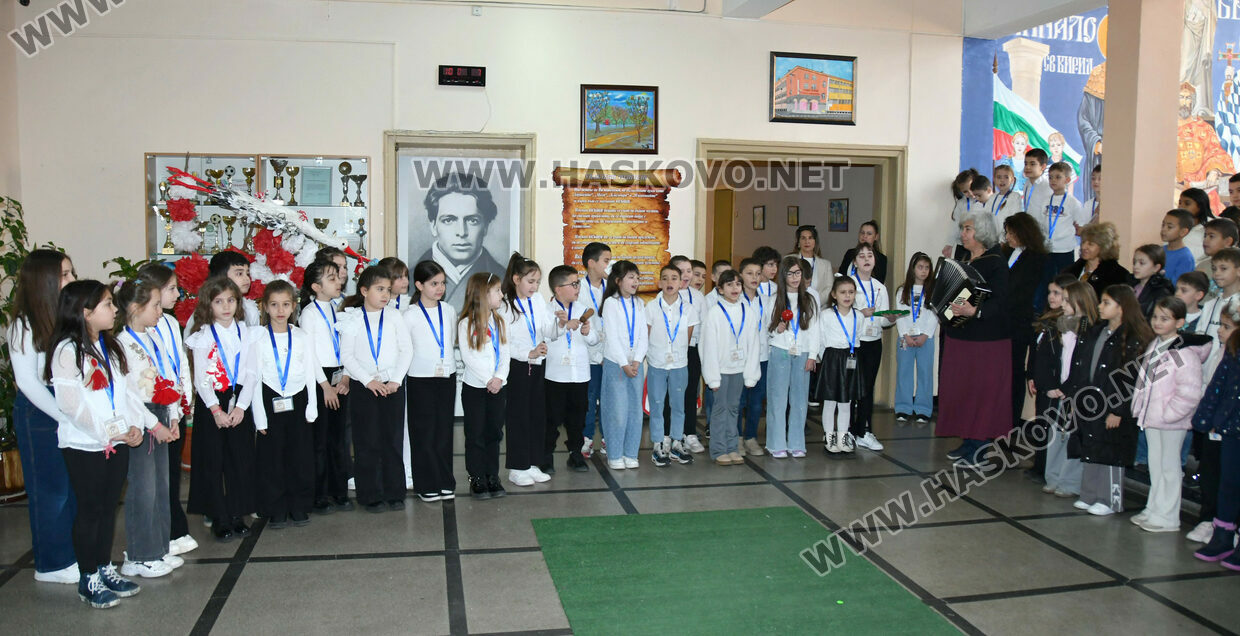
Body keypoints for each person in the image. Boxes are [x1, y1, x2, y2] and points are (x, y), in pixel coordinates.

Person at [48, 280, 150, 608]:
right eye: (108, 304)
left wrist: (134, 426)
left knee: (108, 508)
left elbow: (126, 393)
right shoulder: (67, 350)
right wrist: (108, 432)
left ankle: (105, 567)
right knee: (90, 510)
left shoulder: (109, 345)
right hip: (85, 444)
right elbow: (71, 405)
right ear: (86, 312)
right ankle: (88, 576)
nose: (115, 309)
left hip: (117, 441)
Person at [7, 249, 79, 584]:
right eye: (65, 274)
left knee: (72, 486)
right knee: (51, 489)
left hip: (64, 406)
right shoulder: (24, 324)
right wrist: (63, 415)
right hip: (39, 412)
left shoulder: (62, 318)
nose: (72, 279)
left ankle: (71, 552)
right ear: (44, 280)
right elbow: (28, 383)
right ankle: (52, 563)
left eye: (71, 272)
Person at [1064, 285, 1152, 516]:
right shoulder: (1097, 331)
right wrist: (1075, 396)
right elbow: (1080, 364)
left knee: (1110, 450)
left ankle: (1109, 499)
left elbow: (1130, 378)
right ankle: (1089, 494)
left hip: (1112, 403)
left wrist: (1118, 410)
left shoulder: (1132, 338)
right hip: (1090, 401)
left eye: (1106, 303)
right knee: (1091, 445)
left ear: (1121, 308)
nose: (1100, 307)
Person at [114, 280, 181, 578]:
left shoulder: (154, 336)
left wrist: (174, 414)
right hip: (141, 417)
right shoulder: (121, 344)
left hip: (161, 410)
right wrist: (153, 424)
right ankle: (139, 555)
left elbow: (168, 373)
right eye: (154, 305)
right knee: (143, 487)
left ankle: (159, 548)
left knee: (160, 486)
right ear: (134, 308)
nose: (159, 311)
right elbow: (127, 393)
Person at [184, 277, 257, 541]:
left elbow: (251, 372)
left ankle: (237, 512)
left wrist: (241, 407)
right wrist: (216, 409)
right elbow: (201, 377)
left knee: (240, 459)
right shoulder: (203, 336)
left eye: (231, 300)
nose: (226, 306)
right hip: (212, 403)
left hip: (239, 400)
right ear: (208, 304)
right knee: (212, 461)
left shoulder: (246, 332)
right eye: (218, 301)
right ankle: (218, 516)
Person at [337, 266, 414, 513]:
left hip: (392, 387)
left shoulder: (394, 316)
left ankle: (395, 492)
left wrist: (396, 380)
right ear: (364, 291)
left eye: (388, 290)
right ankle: (370, 494)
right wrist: (368, 380)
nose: (385, 295)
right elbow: (347, 355)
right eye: (379, 289)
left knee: (392, 439)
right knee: (366, 440)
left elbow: (406, 350)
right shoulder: (353, 318)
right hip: (365, 388)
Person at [938, 211, 1012, 468]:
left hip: (987, 340)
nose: (963, 234)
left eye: (968, 229)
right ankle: (969, 441)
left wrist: (976, 311)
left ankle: (979, 449)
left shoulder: (997, 263)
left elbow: (1001, 301)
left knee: (982, 393)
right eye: (963, 229)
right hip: (962, 336)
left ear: (982, 232)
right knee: (964, 391)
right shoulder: (966, 259)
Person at [134, 262, 197, 557]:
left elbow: (179, 361)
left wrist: (185, 397)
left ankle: (173, 527)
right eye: (172, 289)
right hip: (153, 408)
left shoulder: (171, 322)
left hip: (174, 407)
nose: (177, 294)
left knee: (171, 471)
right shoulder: (142, 327)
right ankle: (166, 532)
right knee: (155, 477)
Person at [1132, 297, 1210, 532]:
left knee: (1169, 467)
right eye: (1155, 317)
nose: (1157, 322)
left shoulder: (1184, 353)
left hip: (1171, 421)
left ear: (1180, 322)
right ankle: (1154, 507)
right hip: (1152, 417)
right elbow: (1144, 380)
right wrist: (1140, 405)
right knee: (1156, 465)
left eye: (1164, 318)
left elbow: (1190, 392)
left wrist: (1170, 414)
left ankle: (1168, 516)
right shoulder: (1155, 345)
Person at [250, 280, 318, 529]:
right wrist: (259, 416)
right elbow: (255, 379)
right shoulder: (258, 338)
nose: (280, 310)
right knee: (272, 458)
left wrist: (312, 406)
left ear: (293, 307)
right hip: (270, 398)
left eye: (286, 304)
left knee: (299, 456)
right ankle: (275, 507)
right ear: (265, 307)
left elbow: (309, 372)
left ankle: (299, 504)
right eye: (274, 305)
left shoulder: (301, 336)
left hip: (298, 398)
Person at [498, 253, 561, 484]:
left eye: (537, 282)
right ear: (516, 279)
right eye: (530, 281)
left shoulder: (538, 300)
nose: (535, 286)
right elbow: (505, 343)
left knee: (536, 415)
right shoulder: (505, 305)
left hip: (537, 365)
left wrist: (560, 323)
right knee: (518, 417)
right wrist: (528, 353)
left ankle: (533, 463)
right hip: (518, 366)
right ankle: (517, 467)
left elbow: (548, 330)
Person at [1031, 276, 1094, 494]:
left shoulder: (1089, 331)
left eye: (1067, 300)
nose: (1063, 304)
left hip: (1075, 391)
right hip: (1058, 389)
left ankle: (1070, 482)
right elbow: (1045, 358)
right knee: (1056, 434)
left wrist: (1068, 388)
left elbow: (1082, 365)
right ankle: (1054, 476)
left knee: (1072, 436)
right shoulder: (1057, 327)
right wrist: (1049, 385)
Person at [299, 260, 353, 514]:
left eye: (338, 277)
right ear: (315, 286)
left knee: (338, 439)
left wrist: (346, 377)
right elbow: (309, 354)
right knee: (319, 440)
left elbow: (347, 346)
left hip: (339, 377)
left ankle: (338, 490)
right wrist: (325, 386)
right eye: (331, 278)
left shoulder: (337, 308)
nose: (339, 281)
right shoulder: (309, 314)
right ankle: (319, 494)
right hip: (319, 379)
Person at [1190, 296, 1240, 567]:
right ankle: (1222, 536)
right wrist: (1205, 417)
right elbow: (1217, 387)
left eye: (1227, 326)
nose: (1220, 331)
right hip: (1231, 430)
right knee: (1228, 484)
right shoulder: (1231, 353)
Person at [404, 260, 459, 501]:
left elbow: (451, 339)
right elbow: (405, 348)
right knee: (424, 433)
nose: (440, 288)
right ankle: (425, 483)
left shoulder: (448, 310)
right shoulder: (410, 315)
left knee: (444, 431)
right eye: (433, 283)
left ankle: (445, 480)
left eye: (442, 283)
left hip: (446, 376)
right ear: (419, 285)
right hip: (420, 378)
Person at [417, 171, 507, 309]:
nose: (461, 232)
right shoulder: (408, 279)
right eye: (449, 220)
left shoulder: (504, 279)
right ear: (433, 226)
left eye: (472, 220)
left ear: (485, 226)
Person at [457, 273, 509, 500]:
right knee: (475, 433)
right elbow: (468, 357)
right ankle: (477, 477)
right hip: (476, 388)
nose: (501, 295)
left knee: (494, 432)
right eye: (497, 291)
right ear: (483, 294)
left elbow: (505, 353)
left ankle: (492, 476)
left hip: (498, 386)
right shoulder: (466, 323)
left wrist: (499, 378)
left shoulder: (499, 321)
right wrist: (488, 379)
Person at [700, 269, 760, 465]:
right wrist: (712, 377)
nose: (735, 288)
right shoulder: (715, 313)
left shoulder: (747, 311)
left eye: (738, 284)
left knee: (734, 408)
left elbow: (754, 344)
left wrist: (751, 373)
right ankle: (719, 449)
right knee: (720, 409)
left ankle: (732, 447)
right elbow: (707, 347)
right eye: (729, 284)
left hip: (739, 369)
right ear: (720, 289)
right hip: (720, 371)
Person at [543, 264, 597, 473]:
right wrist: (564, 326)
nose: (577, 288)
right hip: (555, 375)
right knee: (551, 419)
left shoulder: (583, 309)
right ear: (558, 289)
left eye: (578, 283)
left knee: (577, 418)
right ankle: (546, 456)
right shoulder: (547, 311)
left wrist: (587, 332)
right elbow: (544, 337)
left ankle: (575, 454)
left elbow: (594, 340)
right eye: (573, 284)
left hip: (579, 374)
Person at [764, 256, 818, 458]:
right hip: (780, 351)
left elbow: (815, 330)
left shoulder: (810, 300)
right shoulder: (774, 300)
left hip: (802, 353)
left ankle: (796, 443)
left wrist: (812, 355)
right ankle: (776, 443)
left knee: (800, 399)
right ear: (783, 276)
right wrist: (777, 328)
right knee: (777, 399)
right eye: (790, 273)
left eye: (798, 273)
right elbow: (767, 329)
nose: (795, 277)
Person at [645, 264, 698, 466]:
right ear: (659, 283)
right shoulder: (651, 307)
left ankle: (677, 442)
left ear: (681, 283)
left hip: (679, 364)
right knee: (657, 405)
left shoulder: (689, 309)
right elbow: (647, 336)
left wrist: (676, 355)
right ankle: (658, 444)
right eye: (665, 278)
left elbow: (688, 338)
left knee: (679, 405)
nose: (669, 282)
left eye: (674, 278)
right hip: (657, 364)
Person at [1003, 213, 1048, 433]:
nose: (1008, 237)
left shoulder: (1036, 258)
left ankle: (1010, 422)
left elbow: (1023, 291)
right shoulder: (1006, 252)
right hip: (1002, 321)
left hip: (1019, 322)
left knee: (1015, 373)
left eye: (1011, 233)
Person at [600, 260, 647, 471]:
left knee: (635, 412)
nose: (635, 281)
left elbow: (643, 335)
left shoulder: (639, 304)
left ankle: (630, 453)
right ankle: (615, 453)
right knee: (617, 411)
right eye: (631, 277)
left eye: (637, 277)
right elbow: (612, 337)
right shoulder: (611, 303)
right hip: (616, 365)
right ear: (618, 281)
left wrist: (637, 360)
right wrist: (624, 364)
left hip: (635, 364)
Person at [847, 243, 893, 451]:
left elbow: (882, 319)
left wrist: (889, 319)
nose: (866, 259)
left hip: (873, 342)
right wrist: (860, 313)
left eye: (870, 255)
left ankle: (864, 431)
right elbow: (841, 313)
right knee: (851, 387)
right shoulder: (848, 284)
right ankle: (847, 430)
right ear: (855, 262)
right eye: (862, 256)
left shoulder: (880, 287)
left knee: (867, 388)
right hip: (854, 343)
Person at [817, 276, 866, 454]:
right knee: (830, 401)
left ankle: (843, 436)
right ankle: (829, 436)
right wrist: (826, 359)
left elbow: (858, 336)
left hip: (850, 358)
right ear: (834, 294)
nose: (847, 296)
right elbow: (821, 339)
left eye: (851, 292)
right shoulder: (826, 315)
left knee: (847, 402)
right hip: (831, 359)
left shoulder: (859, 316)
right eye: (843, 292)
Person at [893, 253, 937, 425]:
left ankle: (923, 409)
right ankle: (903, 407)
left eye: (927, 268)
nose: (924, 271)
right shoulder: (902, 291)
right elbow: (900, 315)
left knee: (925, 373)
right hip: (905, 338)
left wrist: (925, 335)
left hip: (926, 338)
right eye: (920, 267)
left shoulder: (932, 291)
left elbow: (934, 315)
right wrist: (905, 335)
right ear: (913, 269)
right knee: (904, 372)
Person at [668, 255, 704, 450]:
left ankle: (689, 433)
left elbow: (704, 327)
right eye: (681, 271)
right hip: (670, 351)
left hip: (691, 350)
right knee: (670, 394)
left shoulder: (698, 297)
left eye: (689, 271)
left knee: (690, 393)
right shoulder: (665, 295)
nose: (686, 275)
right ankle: (668, 435)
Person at [579, 242, 611, 458]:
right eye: (606, 261)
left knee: (609, 400)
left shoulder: (613, 289)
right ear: (591, 263)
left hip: (610, 356)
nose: (609, 265)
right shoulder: (579, 289)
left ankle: (609, 438)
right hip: (589, 357)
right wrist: (597, 355)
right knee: (589, 400)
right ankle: (587, 439)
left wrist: (607, 354)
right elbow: (581, 326)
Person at [1039, 161, 1089, 295]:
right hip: (1048, 249)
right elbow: (1042, 224)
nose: (1053, 180)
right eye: (1050, 177)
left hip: (1065, 249)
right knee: (1047, 281)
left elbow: (1081, 226)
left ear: (1067, 180)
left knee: (1065, 282)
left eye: (1058, 177)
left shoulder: (1073, 203)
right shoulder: (1045, 201)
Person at [737, 258, 770, 456]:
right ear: (741, 275)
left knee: (756, 401)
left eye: (758, 273)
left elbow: (770, 327)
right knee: (739, 400)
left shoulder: (767, 300)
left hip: (761, 357)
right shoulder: (734, 300)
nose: (754, 277)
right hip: (740, 358)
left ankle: (751, 437)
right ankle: (737, 438)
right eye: (750, 273)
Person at [1065, 222, 1131, 300]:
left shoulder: (1117, 275)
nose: (1083, 247)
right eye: (1083, 242)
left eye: (1090, 244)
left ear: (1104, 247)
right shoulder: (1070, 271)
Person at [1131, 244, 1175, 319]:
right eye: (1134, 262)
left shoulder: (1161, 292)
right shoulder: (1130, 285)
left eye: (1142, 263)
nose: (1136, 266)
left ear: (1156, 268)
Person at [1162, 208, 1198, 284]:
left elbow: (1178, 285)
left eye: (1169, 227)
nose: (1163, 229)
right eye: (1163, 225)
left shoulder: (1186, 258)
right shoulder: (1160, 250)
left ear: (1183, 232)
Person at [1179, 187, 1215, 261]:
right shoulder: (1178, 226)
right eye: (1180, 203)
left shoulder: (1214, 226)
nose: (1181, 207)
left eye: (1187, 203)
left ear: (1200, 206)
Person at [1020, 148, 1052, 215]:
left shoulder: (1049, 186)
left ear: (1043, 167)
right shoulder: (1027, 183)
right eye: (1026, 164)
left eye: (1032, 164)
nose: (1027, 167)